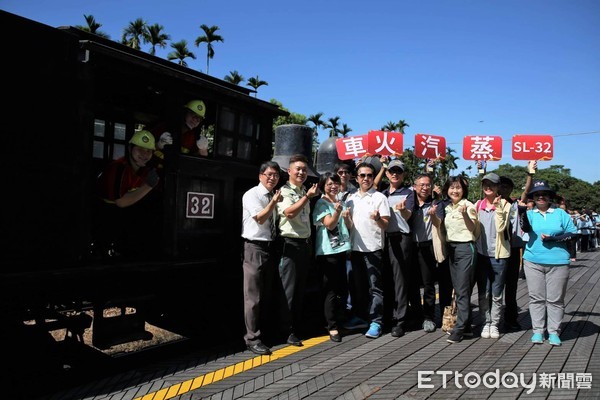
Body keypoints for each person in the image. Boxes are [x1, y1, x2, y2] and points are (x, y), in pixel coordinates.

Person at [521, 180, 577, 346]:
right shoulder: (530, 214)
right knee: (536, 298)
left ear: (550, 197)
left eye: (544, 194)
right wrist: (522, 211)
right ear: (533, 198)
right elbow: (524, 227)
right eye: (537, 194)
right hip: (533, 260)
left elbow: (573, 234)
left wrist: (554, 239)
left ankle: (554, 331)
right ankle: (538, 331)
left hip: (558, 262)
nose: (541, 197)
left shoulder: (561, 214)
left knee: (555, 299)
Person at [96, 130, 161, 258]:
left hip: (123, 220)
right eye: (140, 149)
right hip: (105, 218)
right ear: (130, 148)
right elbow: (120, 202)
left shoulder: (144, 170)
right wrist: (148, 186)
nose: (144, 154)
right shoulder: (118, 167)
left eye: (148, 151)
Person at [276, 154, 319, 347]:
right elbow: (289, 213)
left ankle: (296, 326)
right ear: (289, 171)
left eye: (304, 169)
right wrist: (307, 198)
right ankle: (286, 330)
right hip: (290, 244)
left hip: (304, 244)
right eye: (298, 169)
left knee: (300, 288)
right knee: (289, 290)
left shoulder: (304, 191)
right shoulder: (285, 191)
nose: (301, 172)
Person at [241, 161, 282, 355]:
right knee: (253, 297)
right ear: (260, 176)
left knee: (266, 294)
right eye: (269, 174)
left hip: (270, 246)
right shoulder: (252, 195)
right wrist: (274, 202)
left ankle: (264, 333)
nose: (272, 178)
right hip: (254, 246)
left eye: (275, 175)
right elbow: (260, 218)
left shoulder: (272, 195)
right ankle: (252, 338)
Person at [345, 162, 391, 339]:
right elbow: (349, 226)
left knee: (375, 287)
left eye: (370, 175)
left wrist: (378, 218)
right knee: (358, 287)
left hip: (373, 249)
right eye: (362, 175)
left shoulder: (380, 197)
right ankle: (361, 317)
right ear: (356, 178)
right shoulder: (350, 198)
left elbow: (385, 225)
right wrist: (347, 219)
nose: (366, 178)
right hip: (354, 248)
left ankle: (376, 321)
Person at [313, 172, 353, 342]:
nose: (333, 186)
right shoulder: (321, 203)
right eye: (329, 184)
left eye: (335, 183)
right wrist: (337, 213)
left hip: (342, 249)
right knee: (330, 290)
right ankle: (332, 326)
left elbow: (349, 226)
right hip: (328, 252)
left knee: (341, 288)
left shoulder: (340, 202)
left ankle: (339, 319)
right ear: (323, 186)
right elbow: (329, 225)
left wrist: (347, 216)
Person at [440, 176, 479, 344]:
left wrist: (464, 216)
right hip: (452, 248)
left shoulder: (468, 206)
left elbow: (473, 229)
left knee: (463, 290)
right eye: (451, 188)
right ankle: (468, 326)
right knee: (458, 289)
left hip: (465, 248)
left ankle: (460, 328)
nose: (454, 191)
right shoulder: (448, 207)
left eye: (458, 188)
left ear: (464, 190)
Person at [474, 173, 511, 340]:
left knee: (497, 291)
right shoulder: (477, 205)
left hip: (498, 256)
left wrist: (499, 209)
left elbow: (501, 227)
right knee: (484, 291)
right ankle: (485, 322)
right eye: (485, 184)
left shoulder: (505, 204)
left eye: (492, 185)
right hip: (481, 254)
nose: (488, 187)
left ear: (498, 188)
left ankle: (494, 323)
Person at [380, 159, 415, 337]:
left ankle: (400, 320)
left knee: (400, 280)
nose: (395, 174)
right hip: (383, 239)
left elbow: (408, 214)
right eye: (392, 171)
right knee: (386, 279)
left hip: (401, 239)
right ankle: (388, 316)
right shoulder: (382, 193)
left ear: (403, 175)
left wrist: (402, 211)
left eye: (398, 171)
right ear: (387, 173)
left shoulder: (408, 193)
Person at [499, 169, 534, 331]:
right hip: (496, 250)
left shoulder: (516, 204)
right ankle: (493, 319)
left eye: (507, 186)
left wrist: (530, 174)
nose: (504, 189)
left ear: (512, 189)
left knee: (511, 287)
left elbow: (527, 191)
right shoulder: (492, 203)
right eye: (501, 186)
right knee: (494, 287)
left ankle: (511, 319)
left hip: (513, 250)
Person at [409, 173, 443, 333]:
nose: (424, 187)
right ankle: (416, 315)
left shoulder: (436, 203)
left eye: (428, 184)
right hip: (410, 247)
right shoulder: (410, 204)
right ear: (414, 187)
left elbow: (439, 223)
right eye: (421, 185)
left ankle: (429, 317)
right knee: (412, 283)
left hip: (428, 246)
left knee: (428, 283)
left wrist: (434, 214)